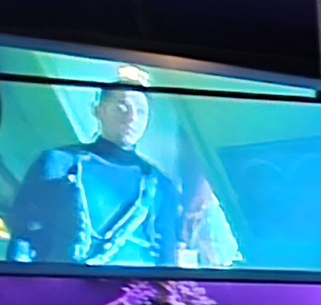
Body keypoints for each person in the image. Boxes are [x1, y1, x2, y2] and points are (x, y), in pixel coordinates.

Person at [13, 69, 190, 269]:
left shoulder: (160, 184)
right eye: (122, 107)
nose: (131, 118)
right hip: (61, 283)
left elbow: (167, 258)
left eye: (141, 111)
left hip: (134, 286)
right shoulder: (58, 163)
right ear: (98, 110)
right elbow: (24, 233)